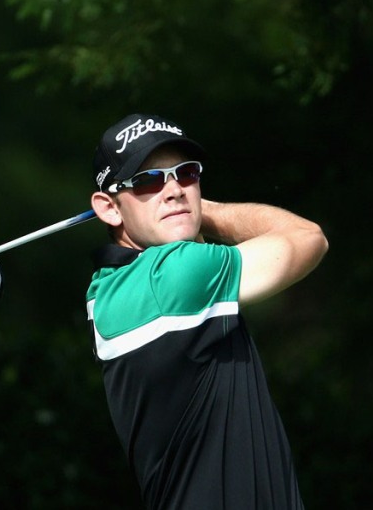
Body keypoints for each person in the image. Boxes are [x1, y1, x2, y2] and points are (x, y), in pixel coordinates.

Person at [87, 113, 329, 509]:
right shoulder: (175, 275)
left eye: (186, 174)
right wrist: (209, 211)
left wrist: (181, 215)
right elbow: (309, 238)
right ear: (109, 208)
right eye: (148, 180)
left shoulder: (107, 290)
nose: (174, 191)